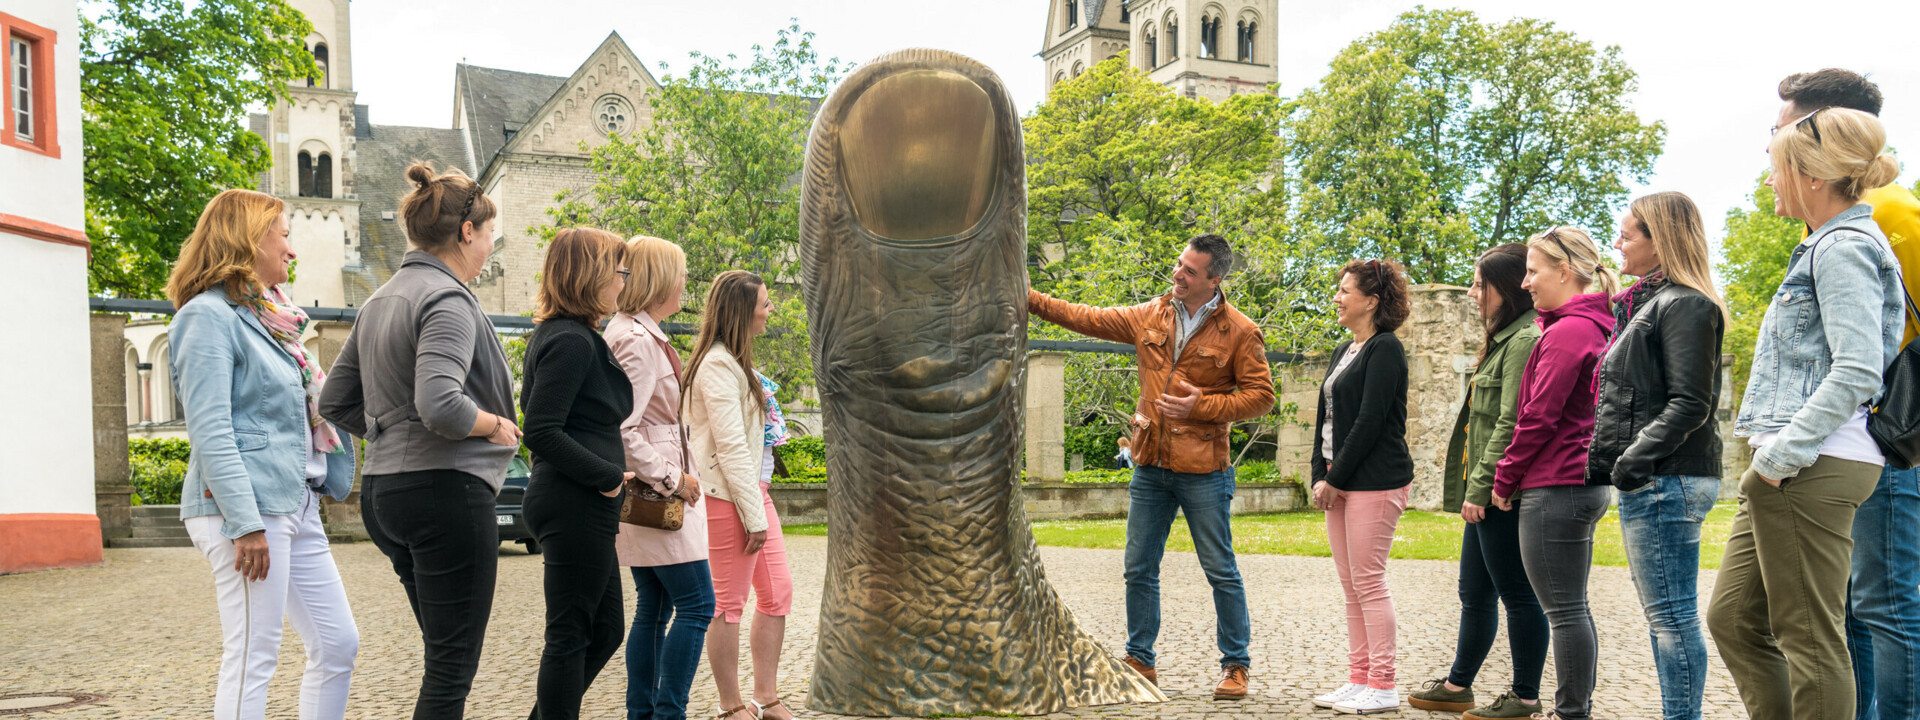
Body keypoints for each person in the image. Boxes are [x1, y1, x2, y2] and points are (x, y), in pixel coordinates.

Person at [1709, 107, 1905, 720]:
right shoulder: (1823, 245)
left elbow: (1858, 369)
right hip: (1797, 464)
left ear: (1811, 176)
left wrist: (1779, 457)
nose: (1768, 181)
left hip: (1813, 462)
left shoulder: (1843, 247)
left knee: (1812, 640)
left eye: (1775, 169)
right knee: (1734, 618)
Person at [1026, 233, 1275, 700]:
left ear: (1214, 279)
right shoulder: (1150, 314)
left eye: (1190, 270)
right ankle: (1140, 659)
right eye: (1178, 265)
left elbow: (1262, 397)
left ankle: (1235, 665)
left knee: (1220, 569)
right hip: (1150, 464)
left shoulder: (1241, 331)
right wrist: (1030, 298)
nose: (1178, 274)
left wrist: (1203, 406)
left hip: (1205, 470)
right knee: (1139, 568)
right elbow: (1088, 318)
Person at [318, 162, 519, 720]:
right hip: (446, 493)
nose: (490, 246)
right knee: (452, 666)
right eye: (489, 234)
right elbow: (441, 404)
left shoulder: (379, 299)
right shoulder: (449, 300)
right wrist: (492, 424)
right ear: (465, 232)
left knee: (442, 657)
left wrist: (388, 429)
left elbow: (334, 403)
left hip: (387, 495)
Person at [168, 188, 360, 720]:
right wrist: (245, 523)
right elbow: (210, 430)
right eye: (284, 237)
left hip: (295, 501)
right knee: (254, 654)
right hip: (245, 509)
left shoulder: (273, 319)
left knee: (338, 643)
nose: (291, 251)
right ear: (249, 241)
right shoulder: (207, 317)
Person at [1773, 68, 1920, 720]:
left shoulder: (1892, 214)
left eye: (1782, 130)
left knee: (1887, 603)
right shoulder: (1831, 225)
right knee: (1854, 607)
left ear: (1821, 132)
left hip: (1887, 440)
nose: (1773, 145)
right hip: (1851, 441)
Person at [1588, 192, 1727, 720]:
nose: (1617, 244)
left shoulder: (1686, 303)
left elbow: (1691, 402)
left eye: (1627, 235)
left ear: (1660, 239)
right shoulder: (1647, 303)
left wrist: (1632, 462)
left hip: (1667, 477)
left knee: (1671, 617)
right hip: (1658, 476)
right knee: (1665, 615)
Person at [1491, 226, 1620, 720]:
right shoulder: (1589, 325)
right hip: (1576, 482)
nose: (1525, 283)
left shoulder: (1569, 331)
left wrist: (1505, 478)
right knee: (1572, 609)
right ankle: (1574, 708)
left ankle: (1571, 712)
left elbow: (1538, 416)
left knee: (1564, 613)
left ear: (1565, 271)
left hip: (1557, 484)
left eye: (1533, 270)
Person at [1413, 244, 1547, 719]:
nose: (1472, 293)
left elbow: (1511, 420)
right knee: (1474, 592)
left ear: (1505, 288)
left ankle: (1525, 697)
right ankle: (1457, 686)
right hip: (1486, 491)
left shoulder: (1526, 339)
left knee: (1517, 594)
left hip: (1502, 494)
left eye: (1479, 284)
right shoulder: (1505, 337)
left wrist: (1483, 489)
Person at [519, 227, 635, 720]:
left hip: (585, 502)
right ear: (592, 274)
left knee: (606, 630)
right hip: (575, 501)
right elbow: (541, 430)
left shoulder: (577, 335)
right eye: (619, 271)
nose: (623, 282)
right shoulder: (570, 340)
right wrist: (607, 475)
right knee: (568, 635)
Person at [604, 236, 711, 720]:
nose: (686, 282)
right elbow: (625, 430)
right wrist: (675, 479)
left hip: (654, 490)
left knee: (655, 606)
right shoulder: (635, 340)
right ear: (660, 279)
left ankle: (643, 714)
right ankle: (668, 714)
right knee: (697, 604)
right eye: (681, 273)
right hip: (659, 492)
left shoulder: (637, 333)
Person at [687, 270, 796, 720]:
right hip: (727, 499)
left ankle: (765, 699)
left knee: (779, 593)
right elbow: (730, 447)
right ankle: (730, 707)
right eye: (765, 303)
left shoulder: (736, 362)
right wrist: (754, 515)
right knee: (726, 605)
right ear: (741, 310)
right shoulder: (715, 365)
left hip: (751, 496)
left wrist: (758, 507)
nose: (771, 310)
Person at [1308, 258, 1415, 715]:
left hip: (1375, 480)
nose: (1337, 297)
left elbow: (1371, 421)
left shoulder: (1385, 348)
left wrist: (1335, 478)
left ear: (1371, 301)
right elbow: (1324, 420)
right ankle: (1358, 679)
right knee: (1350, 585)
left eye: (1345, 290)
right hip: (1338, 478)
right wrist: (1319, 473)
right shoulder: (1343, 350)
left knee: (1369, 582)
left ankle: (1384, 684)